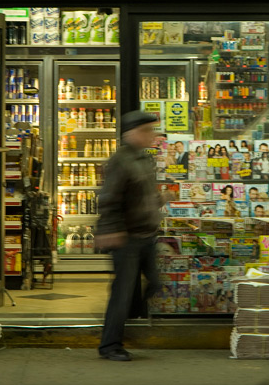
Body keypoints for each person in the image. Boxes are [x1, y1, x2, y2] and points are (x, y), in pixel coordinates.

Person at [95, 111, 164, 362]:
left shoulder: (144, 160)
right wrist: (111, 230)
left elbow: (145, 194)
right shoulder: (120, 161)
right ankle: (110, 345)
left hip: (147, 235)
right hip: (128, 238)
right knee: (122, 292)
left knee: (155, 282)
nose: (152, 136)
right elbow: (108, 199)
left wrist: (162, 199)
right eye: (147, 131)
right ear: (131, 134)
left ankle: (129, 318)